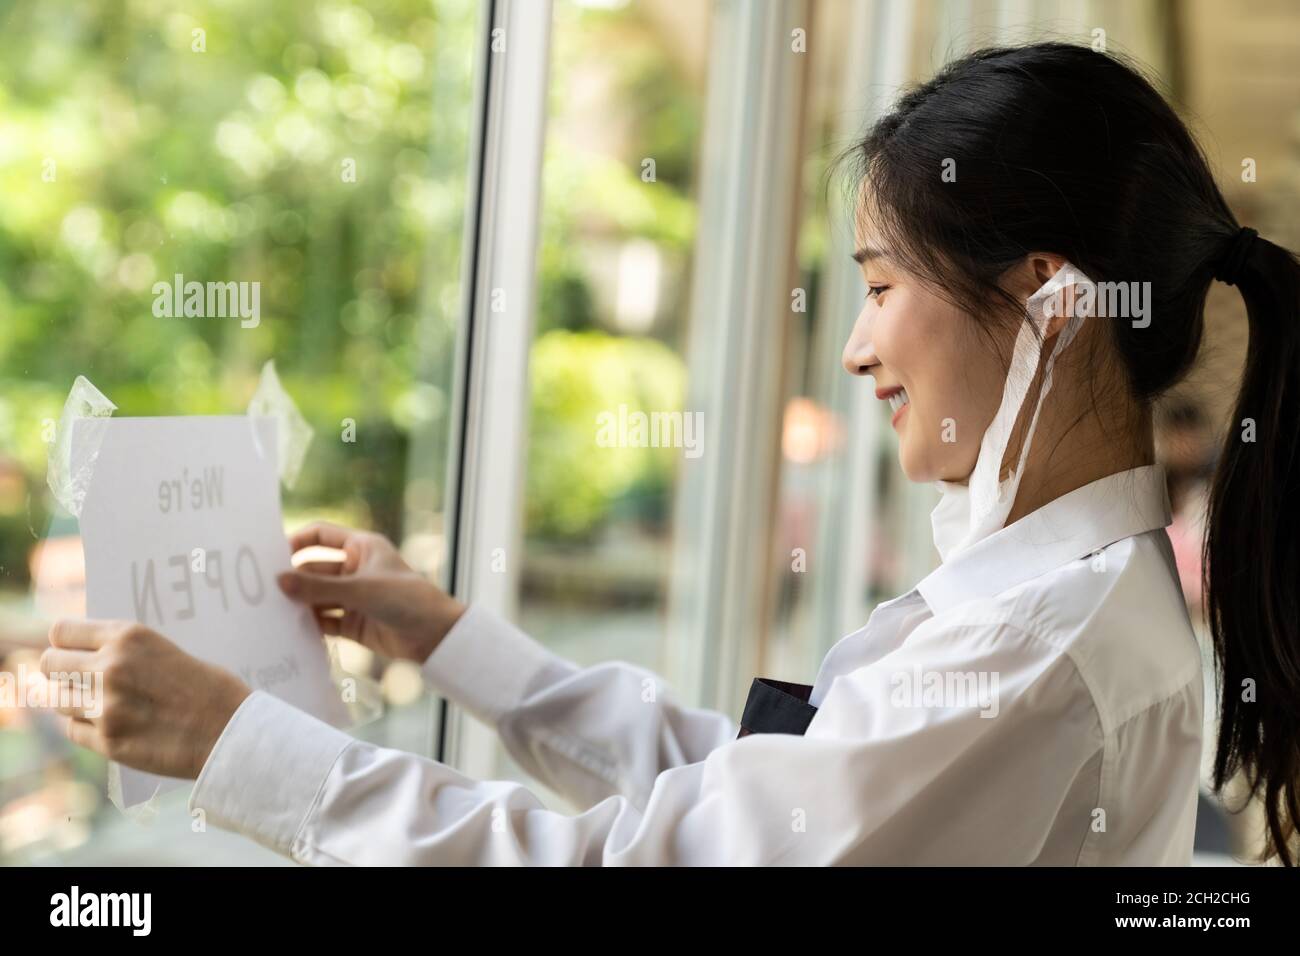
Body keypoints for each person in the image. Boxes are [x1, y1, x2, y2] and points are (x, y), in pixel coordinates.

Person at [40, 42, 1300, 865]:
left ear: (1047, 299)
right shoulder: (1052, 610)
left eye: (877, 285)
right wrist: (447, 638)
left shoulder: (1031, 650)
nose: (857, 350)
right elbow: (760, 798)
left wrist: (238, 740)